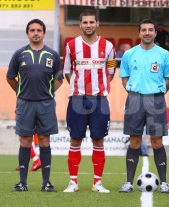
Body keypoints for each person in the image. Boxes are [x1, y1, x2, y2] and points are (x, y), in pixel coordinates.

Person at [62, 9, 116, 193]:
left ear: (97, 23)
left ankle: (97, 183)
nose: (88, 25)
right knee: (75, 139)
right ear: (80, 24)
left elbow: (110, 71)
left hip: (100, 99)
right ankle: (73, 182)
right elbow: (67, 71)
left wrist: (97, 88)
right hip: (77, 98)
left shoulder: (108, 46)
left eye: (91, 22)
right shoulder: (71, 46)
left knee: (98, 140)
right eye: (85, 22)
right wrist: (78, 88)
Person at [118, 18, 169, 193]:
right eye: (144, 30)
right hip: (134, 99)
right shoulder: (129, 54)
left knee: (157, 141)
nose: (147, 33)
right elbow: (124, 78)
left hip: (156, 99)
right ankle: (128, 182)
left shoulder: (164, 54)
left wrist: (154, 93)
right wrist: (135, 93)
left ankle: (164, 183)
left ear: (155, 33)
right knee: (135, 140)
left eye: (151, 30)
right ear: (139, 33)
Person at [7, 19, 63, 192]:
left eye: (39, 30)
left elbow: (59, 79)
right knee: (25, 141)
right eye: (32, 30)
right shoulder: (19, 54)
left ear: (44, 33)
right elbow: (10, 77)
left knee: (45, 141)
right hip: (25, 104)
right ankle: (22, 183)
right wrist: (20, 93)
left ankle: (46, 183)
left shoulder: (52, 55)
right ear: (28, 33)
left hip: (46, 104)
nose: (36, 33)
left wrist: (48, 93)